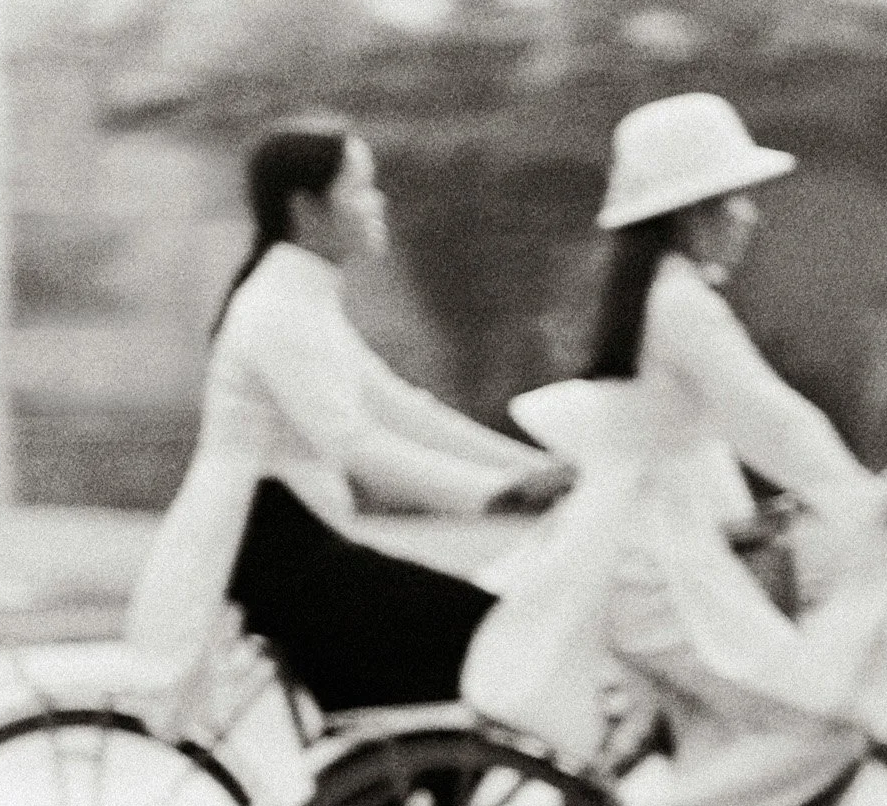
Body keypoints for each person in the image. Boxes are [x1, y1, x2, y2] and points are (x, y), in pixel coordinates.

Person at [460, 93, 887, 806]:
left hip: (662, 556)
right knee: (825, 725)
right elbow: (769, 419)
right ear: (687, 213)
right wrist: (865, 499)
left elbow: (684, 437)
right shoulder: (681, 305)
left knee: (749, 749)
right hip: (658, 574)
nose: (747, 215)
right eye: (729, 198)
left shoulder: (661, 298)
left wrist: (762, 514)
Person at [124, 118, 571, 716]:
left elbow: (403, 409)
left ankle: (395, 801)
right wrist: (498, 493)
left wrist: (539, 466)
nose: (377, 202)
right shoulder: (278, 308)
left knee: (419, 699)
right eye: (359, 188)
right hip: (273, 547)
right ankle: (397, 803)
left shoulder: (301, 296)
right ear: (307, 208)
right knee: (474, 633)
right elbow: (354, 442)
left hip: (296, 540)